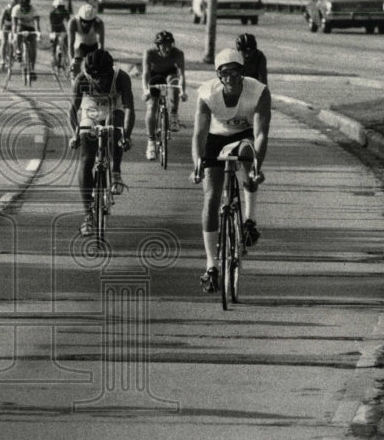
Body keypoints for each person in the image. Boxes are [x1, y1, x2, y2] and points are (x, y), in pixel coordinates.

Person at [190, 48, 271, 293]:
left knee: (248, 169)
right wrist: (197, 165)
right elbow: (199, 134)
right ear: (218, 75)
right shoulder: (207, 93)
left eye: (235, 71)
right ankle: (211, 265)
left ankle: (250, 220)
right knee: (212, 198)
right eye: (224, 73)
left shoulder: (258, 92)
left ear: (242, 73)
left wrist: (257, 167)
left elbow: (260, 134)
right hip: (216, 137)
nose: (230, 78)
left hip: (245, 135)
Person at [68, 49, 135, 237]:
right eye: (94, 77)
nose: (99, 81)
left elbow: (129, 109)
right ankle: (88, 215)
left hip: (114, 106)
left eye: (103, 77)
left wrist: (126, 136)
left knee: (115, 126)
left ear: (110, 71)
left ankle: (115, 173)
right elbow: (72, 111)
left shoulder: (121, 77)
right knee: (86, 159)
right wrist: (75, 134)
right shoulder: (81, 79)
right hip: (91, 109)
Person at [142, 30, 188, 160]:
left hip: (170, 74)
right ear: (158, 46)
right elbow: (145, 73)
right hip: (154, 76)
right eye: (164, 45)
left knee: (174, 81)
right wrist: (146, 90)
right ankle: (151, 142)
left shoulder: (178, 53)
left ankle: (173, 115)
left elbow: (182, 74)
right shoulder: (149, 53)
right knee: (152, 106)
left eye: (169, 44)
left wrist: (183, 92)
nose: (167, 48)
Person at [67, 3, 105, 79]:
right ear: (79, 18)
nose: (86, 24)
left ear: (94, 20)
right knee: (76, 62)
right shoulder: (73, 22)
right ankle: (75, 79)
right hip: (79, 45)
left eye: (89, 22)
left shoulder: (99, 23)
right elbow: (71, 44)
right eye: (83, 21)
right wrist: (72, 60)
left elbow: (101, 44)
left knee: (97, 65)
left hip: (93, 45)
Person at [11, 0, 42, 80]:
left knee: (33, 48)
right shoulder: (16, 9)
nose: (24, 8)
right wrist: (14, 35)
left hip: (31, 28)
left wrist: (38, 33)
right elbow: (14, 25)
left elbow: (37, 24)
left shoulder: (34, 9)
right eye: (22, 6)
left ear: (29, 5)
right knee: (18, 34)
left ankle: (32, 69)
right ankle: (18, 51)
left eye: (26, 6)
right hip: (21, 26)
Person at [47, 0, 71, 67]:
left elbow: (69, 22)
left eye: (62, 7)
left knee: (65, 39)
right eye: (59, 7)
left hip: (61, 27)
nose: (60, 9)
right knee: (53, 42)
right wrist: (53, 34)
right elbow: (51, 24)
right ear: (55, 7)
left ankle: (66, 54)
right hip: (53, 28)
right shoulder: (52, 13)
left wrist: (69, 30)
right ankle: (53, 55)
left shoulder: (65, 11)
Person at [0, 0, 20, 70]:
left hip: (13, 27)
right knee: (4, 43)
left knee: (13, 42)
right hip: (6, 27)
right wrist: (0, 30)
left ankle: (13, 55)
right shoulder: (6, 9)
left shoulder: (19, 10)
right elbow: (1, 20)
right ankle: (2, 60)